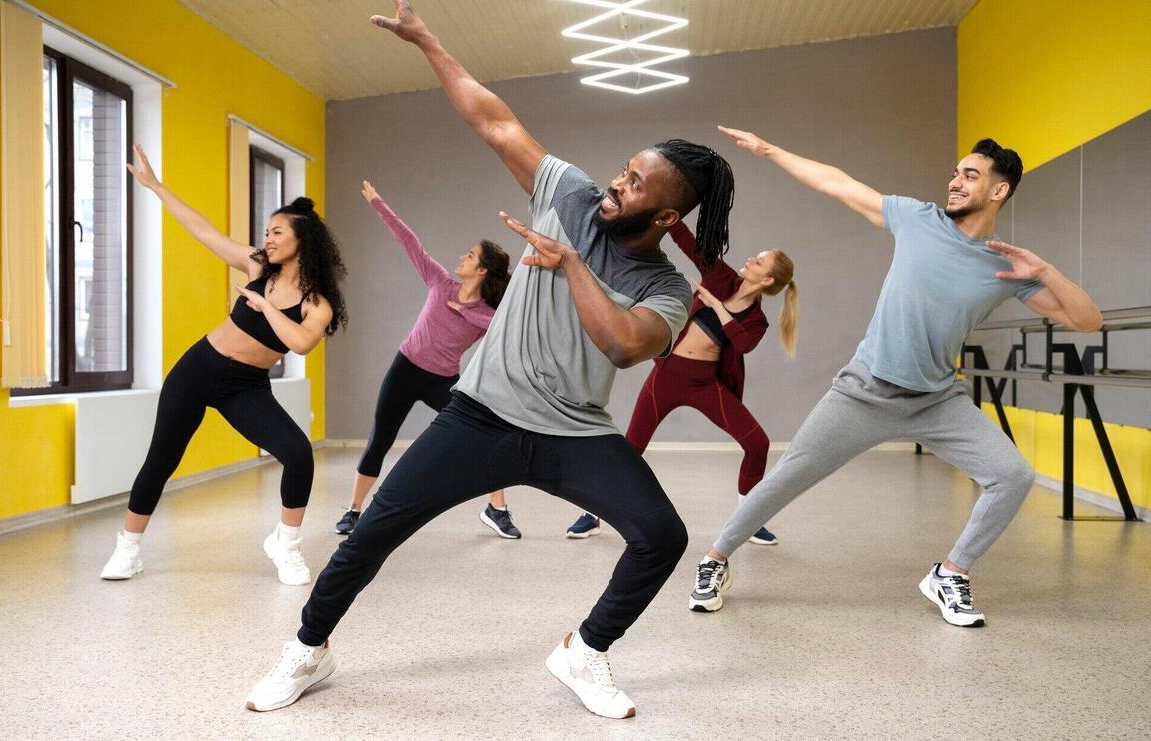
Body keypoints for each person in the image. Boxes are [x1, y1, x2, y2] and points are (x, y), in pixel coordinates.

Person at [244, 0, 736, 719]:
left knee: (662, 534)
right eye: (624, 170)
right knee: (372, 530)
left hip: (574, 432)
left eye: (635, 185)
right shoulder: (568, 192)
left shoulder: (664, 287)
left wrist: (569, 264)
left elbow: (625, 345)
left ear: (665, 218)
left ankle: (585, 651)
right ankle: (308, 649)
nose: (615, 184)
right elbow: (495, 121)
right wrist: (431, 45)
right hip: (479, 415)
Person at [689, 127, 1103, 626]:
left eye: (969, 176)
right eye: (955, 173)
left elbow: (1086, 320)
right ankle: (715, 560)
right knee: (787, 477)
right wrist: (771, 149)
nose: (955, 182)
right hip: (864, 391)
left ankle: (951, 573)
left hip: (936, 400)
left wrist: (1046, 269)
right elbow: (837, 184)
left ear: (999, 191)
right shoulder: (917, 219)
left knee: (1012, 476)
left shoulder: (1005, 268)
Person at [100, 144, 347, 586]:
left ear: (302, 241)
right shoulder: (256, 266)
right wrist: (157, 188)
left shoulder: (316, 303)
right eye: (267, 233)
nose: (267, 240)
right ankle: (128, 548)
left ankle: (285, 546)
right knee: (161, 459)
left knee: (297, 454)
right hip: (199, 370)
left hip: (246, 386)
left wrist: (263, 305)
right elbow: (202, 230)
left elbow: (301, 345)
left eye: (276, 233)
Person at [566, 219, 798, 546]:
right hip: (667, 376)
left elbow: (743, 343)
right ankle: (593, 515)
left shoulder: (757, 321)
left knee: (757, 443)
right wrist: (669, 218)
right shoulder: (720, 276)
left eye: (759, 261)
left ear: (768, 279)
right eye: (755, 256)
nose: (750, 259)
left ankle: (750, 517)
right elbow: (691, 244)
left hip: (705, 385)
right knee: (631, 449)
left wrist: (717, 306)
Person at [335, 180, 518, 539]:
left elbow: (501, 327)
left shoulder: (486, 311)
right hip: (404, 369)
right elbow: (411, 243)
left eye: (470, 256)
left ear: (482, 271)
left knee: (483, 436)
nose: (462, 257)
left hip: (443, 381)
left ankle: (497, 508)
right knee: (379, 440)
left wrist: (464, 314)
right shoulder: (440, 282)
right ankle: (354, 511)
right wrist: (378, 202)